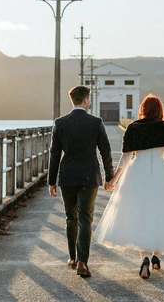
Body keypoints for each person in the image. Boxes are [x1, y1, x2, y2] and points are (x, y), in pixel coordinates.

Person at [94, 94, 164, 279]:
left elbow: (125, 158)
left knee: (140, 214)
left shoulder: (133, 128)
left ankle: (145, 258)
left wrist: (114, 180)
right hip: (161, 173)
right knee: (161, 212)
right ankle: (156, 256)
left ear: (143, 109)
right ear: (160, 110)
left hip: (136, 172)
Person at [48, 85, 115, 278]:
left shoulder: (60, 123)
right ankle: (83, 262)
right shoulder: (96, 122)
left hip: (67, 176)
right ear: (85, 100)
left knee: (71, 217)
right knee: (86, 219)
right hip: (89, 175)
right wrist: (109, 176)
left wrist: (52, 181)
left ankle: (72, 258)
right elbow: (105, 151)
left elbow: (54, 154)